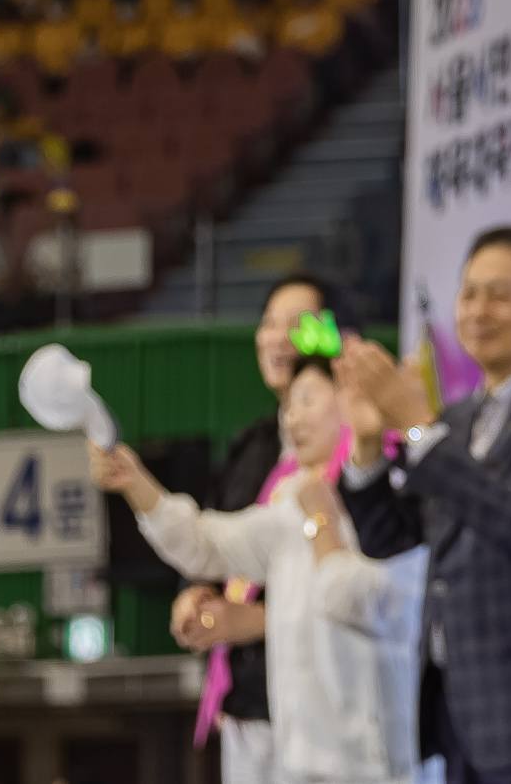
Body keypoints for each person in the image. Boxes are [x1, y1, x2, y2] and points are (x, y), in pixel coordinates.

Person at [337, 226, 511, 784]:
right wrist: (367, 445)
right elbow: (390, 535)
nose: (478, 311)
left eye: (499, 294)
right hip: (459, 714)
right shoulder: (455, 421)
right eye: (468, 294)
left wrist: (417, 428)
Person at [92, 356, 428, 784]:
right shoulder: (291, 501)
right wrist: (135, 482)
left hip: (377, 765)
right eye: (288, 405)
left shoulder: (395, 499)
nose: (293, 417)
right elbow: (203, 543)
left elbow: (354, 601)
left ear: (354, 400)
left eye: (308, 400)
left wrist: (321, 521)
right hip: (298, 761)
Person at [174, 273, 365, 784]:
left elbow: (368, 589)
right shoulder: (250, 446)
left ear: (341, 341)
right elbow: (217, 538)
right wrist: (196, 593)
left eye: (297, 325)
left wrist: (253, 620)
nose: (277, 337)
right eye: (268, 323)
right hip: (247, 696)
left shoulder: (366, 456)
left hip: (328, 704)